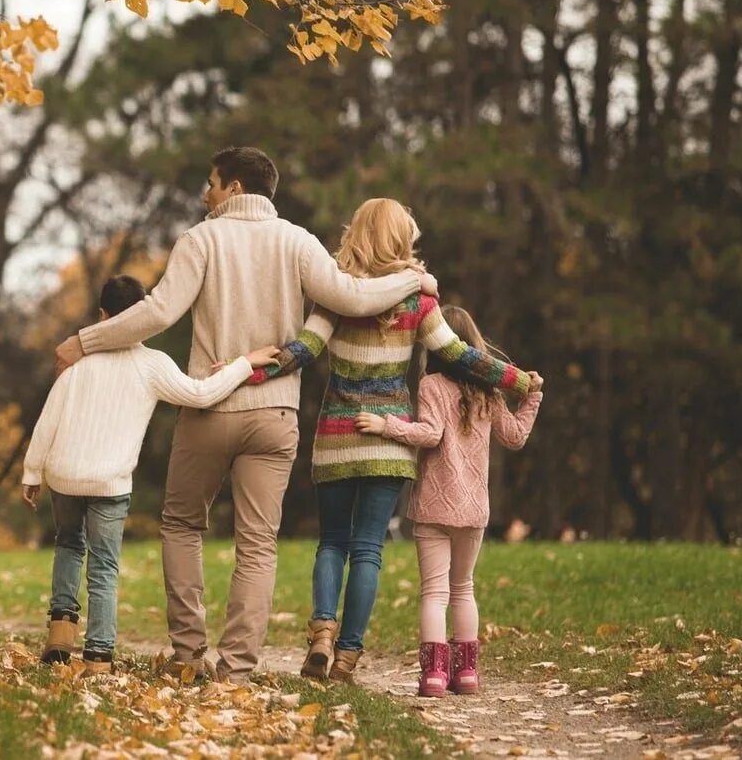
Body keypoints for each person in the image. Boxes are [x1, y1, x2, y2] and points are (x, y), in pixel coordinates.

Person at [54, 148, 437, 683]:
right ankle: (236, 670)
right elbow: (351, 296)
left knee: (182, 524)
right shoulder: (298, 242)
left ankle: (189, 655)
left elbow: (159, 312)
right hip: (275, 413)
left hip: (210, 406)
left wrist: (85, 340)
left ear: (233, 187)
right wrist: (415, 281)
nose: (204, 194)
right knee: (257, 542)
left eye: (210, 183)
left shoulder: (200, 239)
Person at [243, 199, 531, 683]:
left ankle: (321, 632)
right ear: (401, 240)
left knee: (331, 542)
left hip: (337, 433)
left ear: (355, 234)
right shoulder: (419, 303)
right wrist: (516, 381)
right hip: (390, 441)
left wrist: (246, 371)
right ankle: (348, 657)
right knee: (368, 549)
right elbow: (458, 354)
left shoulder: (334, 295)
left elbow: (303, 350)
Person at [23, 275, 281, 674]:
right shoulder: (151, 365)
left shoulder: (79, 363)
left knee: (68, 545)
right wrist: (244, 364)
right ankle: (98, 657)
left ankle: (60, 634)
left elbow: (48, 419)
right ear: (143, 316)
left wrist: (32, 471)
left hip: (64, 475)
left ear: (103, 316)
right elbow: (201, 394)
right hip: (109, 482)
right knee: (104, 565)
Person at [355, 304, 544, 697]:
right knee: (463, 588)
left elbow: (430, 434)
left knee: (435, 592)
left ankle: (435, 676)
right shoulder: (488, 392)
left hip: (434, 508)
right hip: (474, 508)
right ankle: (468, 675)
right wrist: (533, 399)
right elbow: (515, 437)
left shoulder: (430, 386)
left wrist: (385, 425)